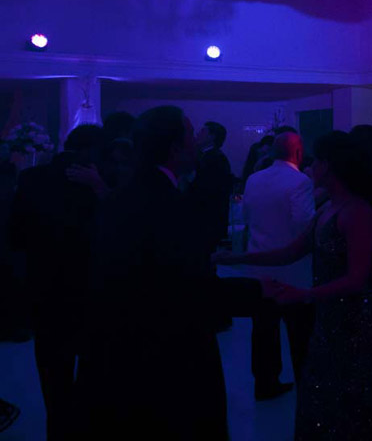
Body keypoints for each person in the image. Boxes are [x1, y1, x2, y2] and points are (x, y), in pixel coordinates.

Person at [216, 132, 372, 439]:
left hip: (353, 318)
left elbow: (358, 278)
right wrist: (236, 258)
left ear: (332, 166)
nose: (312, 166)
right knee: (323, 390)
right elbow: (291, 251)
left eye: (319, 160)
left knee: (349, 395)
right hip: (329, 314)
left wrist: (306, 294)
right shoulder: (327, 208)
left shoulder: (356, 211)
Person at [77, 106, 236, 439]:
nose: (196, 141)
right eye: (190, 134)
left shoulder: (123, 196)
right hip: (166, 357)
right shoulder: (170, 204)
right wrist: (254, 294)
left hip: (119, 352)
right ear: (175, 148)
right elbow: (180, 289)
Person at [9, 123, 104, 440]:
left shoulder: (31, 178)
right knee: (92, 373)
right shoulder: (100, 182)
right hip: (91, 292)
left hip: (44, 290)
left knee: (53, 375)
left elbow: (16, 236)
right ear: (94, 151)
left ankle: (59, 431)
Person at [240, 131, 317, 400]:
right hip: (292, 270)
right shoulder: (300, 181)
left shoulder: (254, 179)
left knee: (263, 330)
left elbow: (246, 216)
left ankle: (265, 383)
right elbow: (304, 223)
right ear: (298, 152)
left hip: (259, 267)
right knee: (299, 332)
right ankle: (306, 383)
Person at [191, 121, 234, 254]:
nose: (197, 134)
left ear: (212, 136)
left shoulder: (215, 158)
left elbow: (208, 192)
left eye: (202, 131)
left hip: (208, 221)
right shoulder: (208, 156)